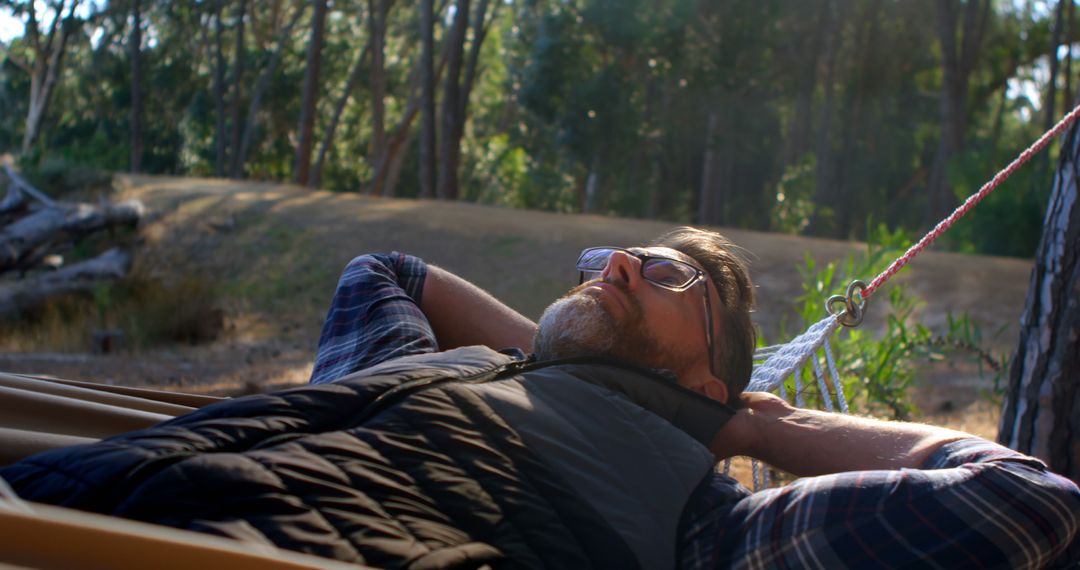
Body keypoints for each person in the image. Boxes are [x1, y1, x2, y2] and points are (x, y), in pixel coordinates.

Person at [3, 227, 1078, 569]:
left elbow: (1019, 498)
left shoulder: (704, 523)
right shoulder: (402, 369)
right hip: (41, 514)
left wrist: (758, 423)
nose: (613, 267)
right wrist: (570, 362)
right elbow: (387, 274)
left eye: (665, 281)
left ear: (709, 380)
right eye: (617, 258)